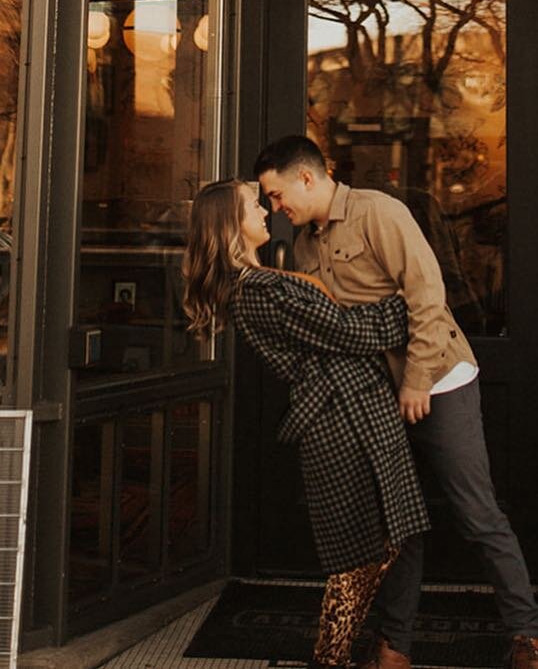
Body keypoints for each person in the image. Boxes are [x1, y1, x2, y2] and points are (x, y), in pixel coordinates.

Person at [255, 135, 538, 669]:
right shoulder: (302, 247)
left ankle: (526, 637)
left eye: (277, 195)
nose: (276, 208)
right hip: (376, 403)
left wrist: (416, 380)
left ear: (306, 176)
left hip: (439, 381)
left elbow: (426, 294)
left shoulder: (378, 212)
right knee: (400, 525)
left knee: (477, 513)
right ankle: (395, 647)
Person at [183, 178, 430, 669]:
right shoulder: (259, 290)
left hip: (357, 412)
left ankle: (373, 650)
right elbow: (351, 331)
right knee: (360, 553)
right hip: (342, 422)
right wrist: (413, 296)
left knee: (383, 542)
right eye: (252, 204)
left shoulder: (264, 281)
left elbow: (340, 332)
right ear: (230, 224)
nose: (262, 210)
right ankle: (332, 656)